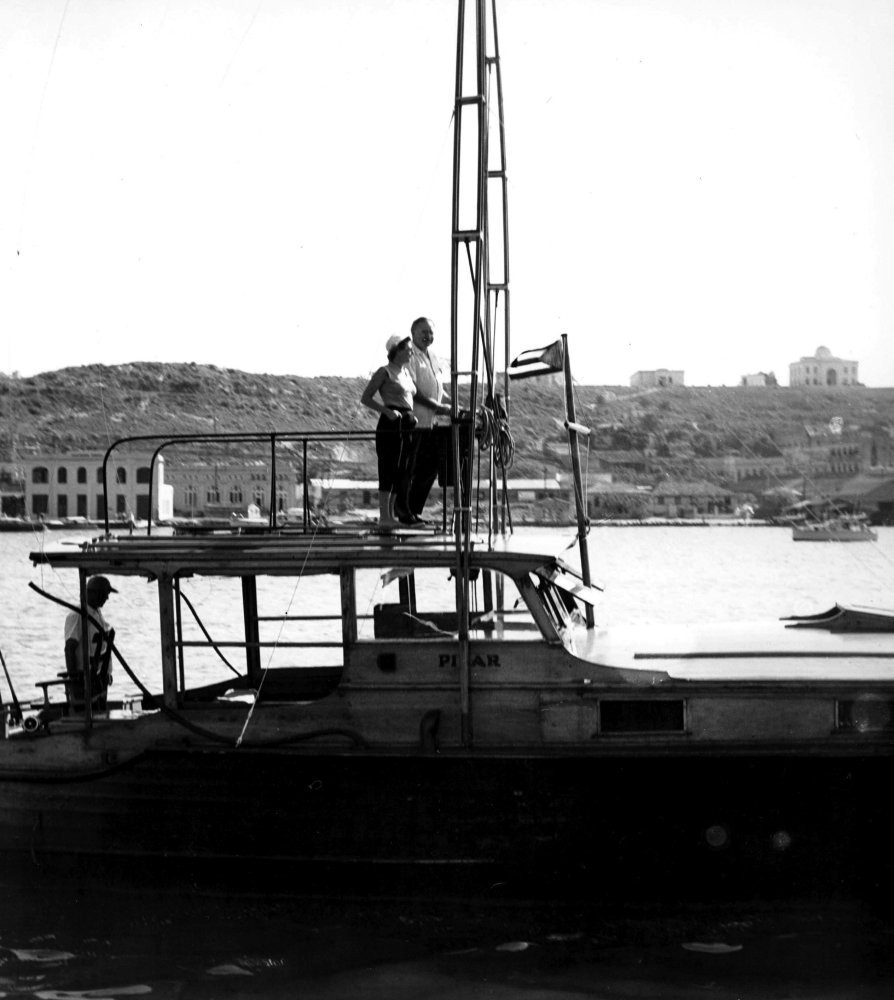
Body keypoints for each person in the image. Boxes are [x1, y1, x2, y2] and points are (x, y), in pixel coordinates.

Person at [361, 335, 421, 527]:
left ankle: (391, 516)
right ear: (397, 350)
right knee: (388, 468)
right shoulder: (384, 372)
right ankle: (384, 516)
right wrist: (387, 411)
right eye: (408, 349)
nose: (412, 352)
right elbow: (366, 397)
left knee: (402, 470)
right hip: (392, 422)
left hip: (408, 422)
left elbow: (411, 397)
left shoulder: (406, 373)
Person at [405, 317, 451, 519]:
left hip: (430, 424)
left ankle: (413, 511)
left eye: (431, 333)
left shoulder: (432, 356)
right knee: (410, 470)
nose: (428, 336)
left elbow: (438, 389)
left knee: (431, 468)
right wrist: (438, 406)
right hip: (413, 424)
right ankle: (404, 512)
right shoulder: (409, 355)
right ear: (413, 333)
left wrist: (454, 405)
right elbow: (412, 390)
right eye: (424, 332)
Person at [63, 575, 117, 707]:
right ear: (94, 593)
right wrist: (75, 679)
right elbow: (70, 648)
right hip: (84, 679)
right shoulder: (77, 614)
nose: (107, 598)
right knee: (89, 711)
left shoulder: (96, 613)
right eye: (105, 594)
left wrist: (107, 673)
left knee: (100, 709)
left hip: (99, 678)